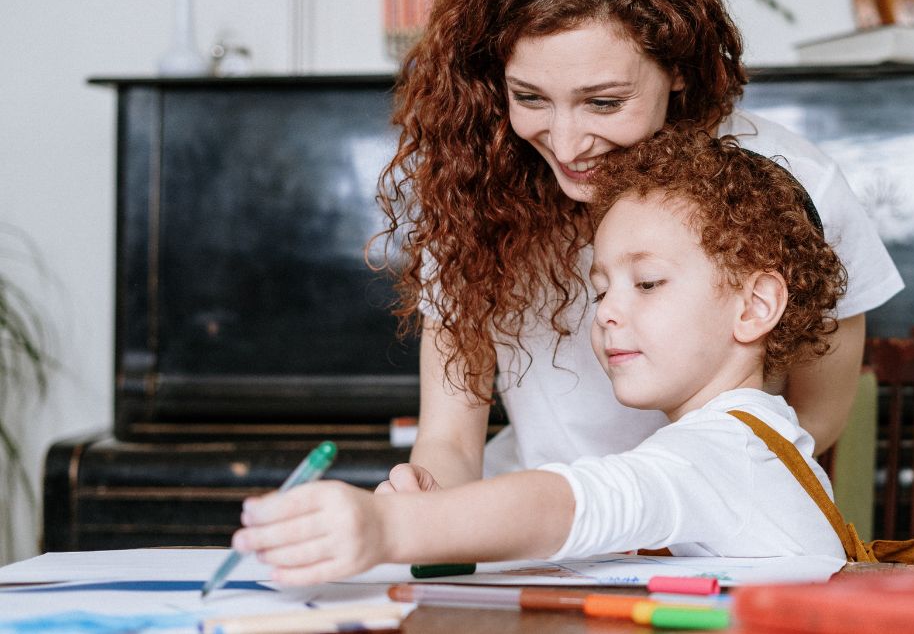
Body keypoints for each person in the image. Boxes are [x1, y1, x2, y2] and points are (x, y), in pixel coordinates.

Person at [374, 0, 902, 495]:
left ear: (678, 68)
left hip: (709, 517)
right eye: (531, 98)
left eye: (603, 102)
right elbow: (450, 442)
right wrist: (426, 500)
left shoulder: (797, 187)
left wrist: (673, 513)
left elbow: (816, 419)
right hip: (534, 524)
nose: (566, 144)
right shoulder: (472, 191)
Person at [236, 129, 850, 584]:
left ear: (755, 305)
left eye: (649, 283)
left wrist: (391, 528)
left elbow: (573, 502)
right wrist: (442, 516)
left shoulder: (724, 452)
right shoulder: (748, 439)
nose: (606, 311)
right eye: (601, 287)